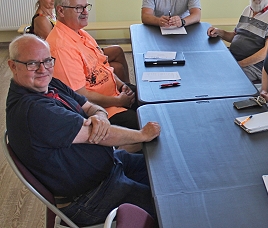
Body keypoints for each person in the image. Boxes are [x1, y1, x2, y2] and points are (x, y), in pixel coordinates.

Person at [6, 35, 160, 226]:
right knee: (166, 205)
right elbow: (100, 136)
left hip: (110, 167)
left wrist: (100, 117)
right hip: (90, 196)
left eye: (47, 61)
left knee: (164, 171)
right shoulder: (33, 110)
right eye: (32, 63)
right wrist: (142, 135)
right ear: (13, 66)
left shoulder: (50, 83)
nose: (42, 69)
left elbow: (90, 107)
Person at [47, 0, 139, 140]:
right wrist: (118, 101)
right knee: (145, 123)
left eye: (86, 6)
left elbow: (103, 67)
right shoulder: (61, 47)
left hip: (115, 94)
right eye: (78, 8)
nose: (85, 12)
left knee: (152, 99)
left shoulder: (80, 32)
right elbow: (80, 95)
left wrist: (122, 85)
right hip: (103, 111)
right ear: (61, 11)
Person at [30, 0, 131, 83]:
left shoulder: (53, 15)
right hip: (69, 55)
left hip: (77, 47)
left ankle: (128, 88)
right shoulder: (41, 20)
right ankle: (126, 90)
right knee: (117, 67)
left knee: (117, 51)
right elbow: (56, 47)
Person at [207, 0, 268, 82]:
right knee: (207, 65)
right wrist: (220, 32)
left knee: (219, 78)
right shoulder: (248, 10)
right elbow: (237, 36)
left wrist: (239, 64)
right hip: (234, 58)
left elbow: (266, 52)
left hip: (253, 67)